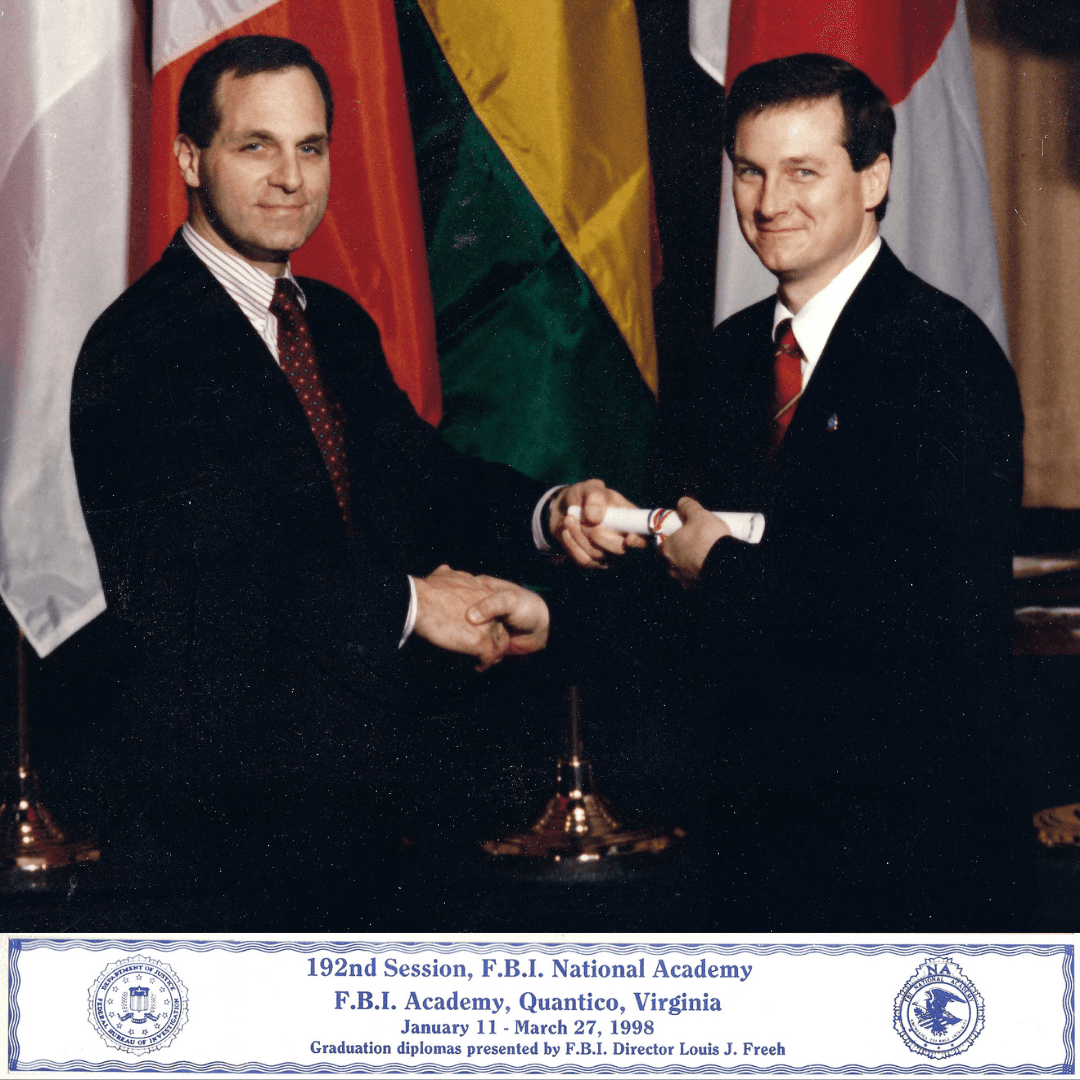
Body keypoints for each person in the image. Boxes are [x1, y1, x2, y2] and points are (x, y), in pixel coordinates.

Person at [62, 35, 635, 908]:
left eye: (312, 147)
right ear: (189, 158)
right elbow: (214, 586)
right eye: (256, 146)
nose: (290, 177)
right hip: (219, 844)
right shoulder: (138, 348)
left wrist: (550, 513)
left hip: (366, 820)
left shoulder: (329, 321)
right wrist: (413, 603)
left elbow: (424, 482)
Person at [651, 54, 1027, 928]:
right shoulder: (723, 358)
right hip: (747, 840)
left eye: (803, 171)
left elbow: (927, 628)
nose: (769, 200)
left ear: (874, 177)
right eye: (750, 170)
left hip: (907, 858)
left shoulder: (947, 359)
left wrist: (721, 571)